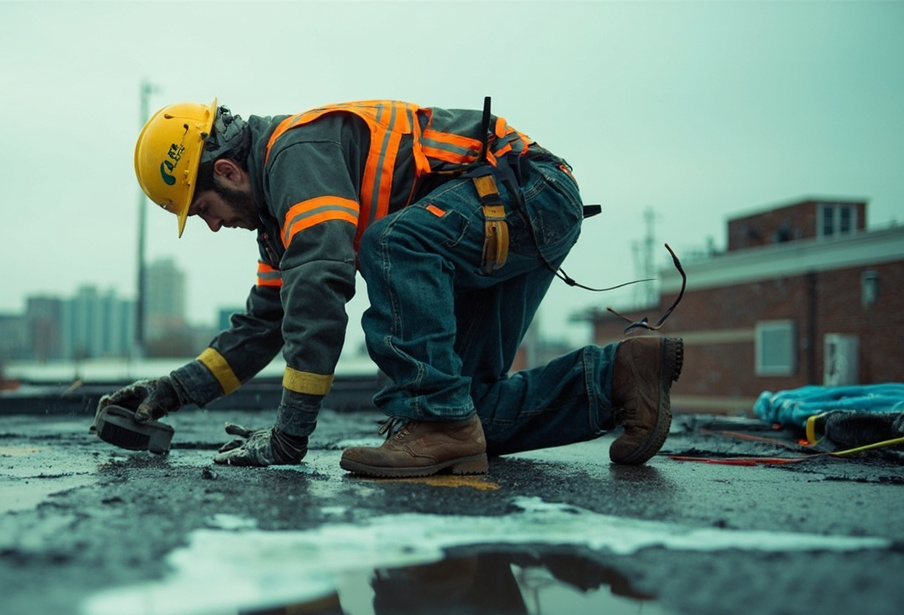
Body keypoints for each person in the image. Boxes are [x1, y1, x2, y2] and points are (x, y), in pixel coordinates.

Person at [101, 98, 683, 477]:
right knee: (469, 411)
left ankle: (439, 420)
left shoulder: (294, 157)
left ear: (226, 172)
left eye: (204, 209)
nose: (211, 226)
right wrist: (169, 391)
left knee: (388, 244)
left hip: (531, 193)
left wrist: (288, 438)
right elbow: (263, 326)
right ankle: (620, 378)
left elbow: (321, 288)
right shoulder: (278, 225)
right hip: (500, 221)